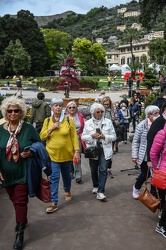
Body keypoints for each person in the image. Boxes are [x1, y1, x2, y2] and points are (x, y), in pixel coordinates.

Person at [0, 96, 41, 250]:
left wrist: (31, 152)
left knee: (20, 201)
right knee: (14, 199)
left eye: (16, 110)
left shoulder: (28, 128)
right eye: (9, 111)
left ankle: (19, 233)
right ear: (5, 112)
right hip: (6, 173)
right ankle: (22, 219)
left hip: (23, 172)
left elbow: (39, 144)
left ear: (21, 112)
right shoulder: (0, 130)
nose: (12, 113)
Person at [40, 98, 80, 213]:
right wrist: (51, 128)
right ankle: (54, 202)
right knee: (54, 178)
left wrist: (76, 151)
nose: (58, 107)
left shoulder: (68, 120)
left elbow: (74, 137)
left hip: (66, 155)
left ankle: (67, 190)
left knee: (67, 176)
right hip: (52, 155)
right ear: (51, 107)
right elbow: (42, 136)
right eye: (55, 105)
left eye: (60, 105)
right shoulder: (47, 121)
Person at [82, 103, 116, 201]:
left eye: (102, 111)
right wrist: (91, 136)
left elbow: (114, 136)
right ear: (93, 112)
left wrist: (104, 136)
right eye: (98, 112)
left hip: (105, 149)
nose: (100, 113)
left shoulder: (108, 122)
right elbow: (83, 137)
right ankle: (96, 185)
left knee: (103, 170)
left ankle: (101, 192)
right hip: (93, 149)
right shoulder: (88, 123)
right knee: (93, 170)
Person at [132, 105, 160, 199]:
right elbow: (136, 141)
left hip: (157, 154)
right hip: (145, 154)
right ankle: (136, 187)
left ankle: (153, 194)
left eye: (158, 113)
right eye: (155, 113)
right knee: (145, 174)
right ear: (149, 115)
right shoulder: (142, 126)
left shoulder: (161, 124)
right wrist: (135, 156)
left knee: (155, 175)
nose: (158, 115)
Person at [150, 122, 166, 237]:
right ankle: (161, 226)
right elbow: (153, 153)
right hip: (164, 172)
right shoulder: (162, 133)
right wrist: (157, 169)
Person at [65, 101, 85, 184]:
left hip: (77, 138)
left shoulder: (80, 116)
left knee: (77, 157)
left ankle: (78, 176)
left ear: (76, 108)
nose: (72, 109)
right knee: (69, 156)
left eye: (73, 107)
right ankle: (70, 172)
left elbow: (83, 127)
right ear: (67, 109)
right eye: (70, 107)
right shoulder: (65, 117)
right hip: (68, 139)